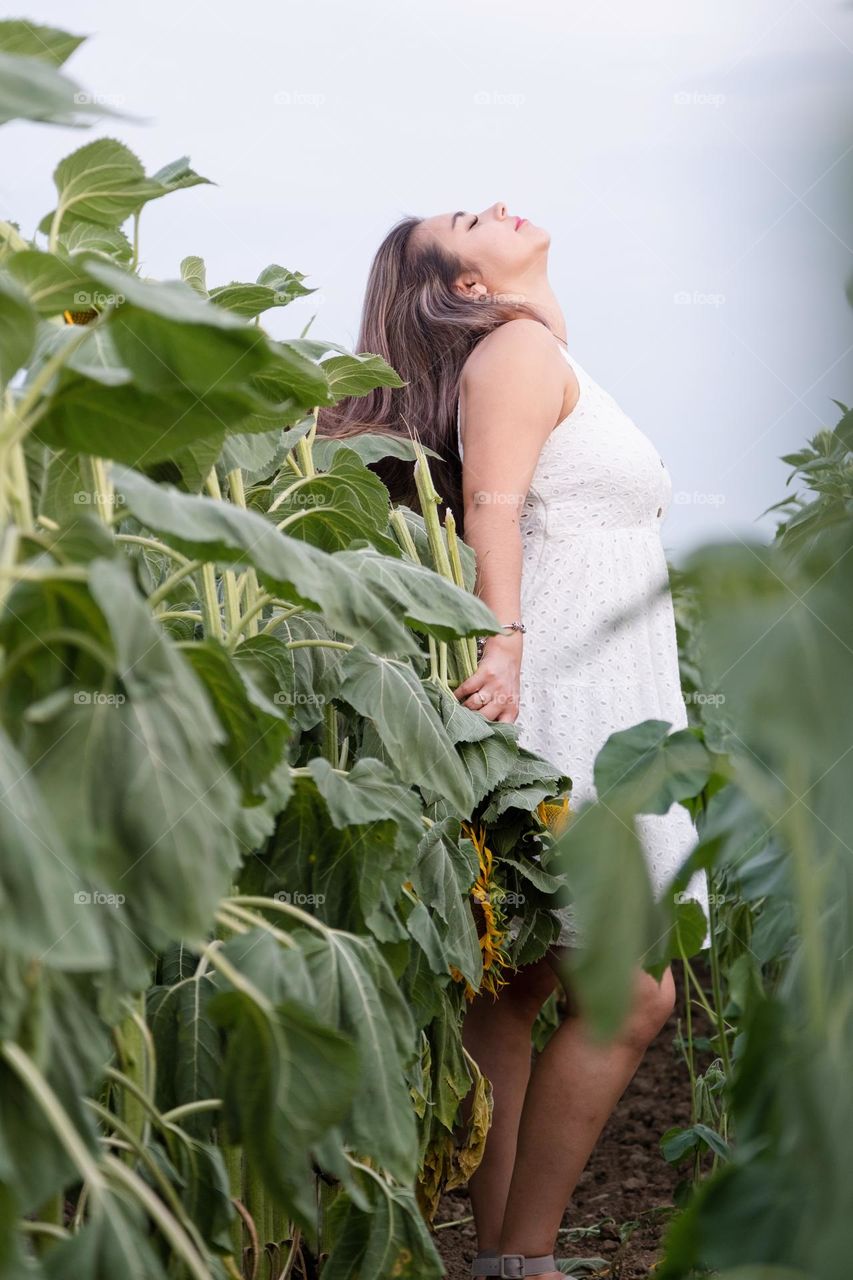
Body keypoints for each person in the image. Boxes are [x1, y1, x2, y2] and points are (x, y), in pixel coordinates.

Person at [317, 201, 710, 1280]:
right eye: (466, 218)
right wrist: (504, 643)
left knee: (518, 984)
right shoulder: (519, 348)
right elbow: (489, 501)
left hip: (593, 683)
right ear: (471, 288)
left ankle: (500, 1259)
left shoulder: (534, 351)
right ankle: (527, 1255)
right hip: (560, 693)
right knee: (632, 992)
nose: (492, 204)